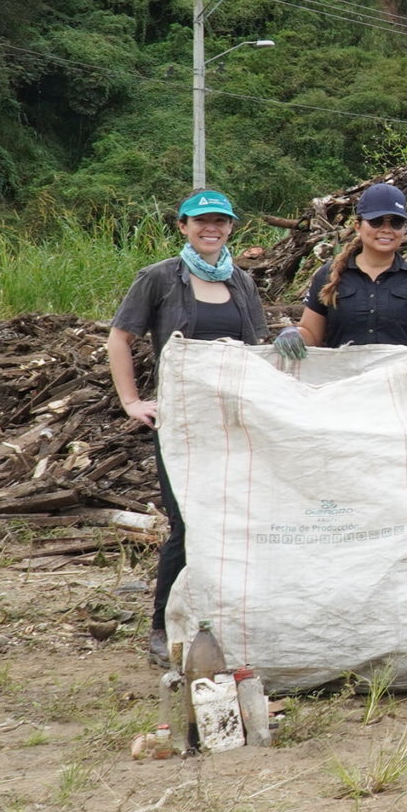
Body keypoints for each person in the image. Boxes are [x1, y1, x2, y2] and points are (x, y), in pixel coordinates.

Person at [105, 189, 270, 665]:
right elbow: (120, 337)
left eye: (219, 221)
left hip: (233, 422)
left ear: (231, 228)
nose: (210, 228)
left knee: (235, 520)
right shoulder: (159, 278)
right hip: (182, 425)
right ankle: (162, 627)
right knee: (186, 522)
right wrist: (132, 401)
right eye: (201, 221)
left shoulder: (241, 282)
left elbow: (254, 349)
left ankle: (227, 620)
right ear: (183, 226)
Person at [288, 184, 407, 352]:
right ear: (358, 226)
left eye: (396, 223)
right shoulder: (328, 275)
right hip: (344, 376)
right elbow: (312, 334)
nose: (386, 230)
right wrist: (294, 335)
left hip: (399, 377)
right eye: (376, 221)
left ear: (405, 229)